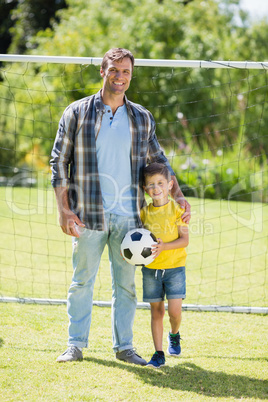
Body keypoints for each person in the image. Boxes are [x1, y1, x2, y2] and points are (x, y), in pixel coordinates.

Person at [50, 48, 191, 364]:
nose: (120, 77)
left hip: (130, 218)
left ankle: (124, 347)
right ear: (103, 71)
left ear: (131, 75)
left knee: (125, 285)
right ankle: (75, 344)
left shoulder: (141, 117)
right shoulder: (76, 113)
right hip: (87, 214)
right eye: (114, 70)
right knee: (82, 281)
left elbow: (159, 161)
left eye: (126, 72)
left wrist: (178, 194)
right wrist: (63, 209)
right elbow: (59, 161)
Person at [140, 162, 189, 368]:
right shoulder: (143, 214)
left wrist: (164, 247)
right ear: (145, 189)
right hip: (151, 270)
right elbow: (137, 242)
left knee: (174, 312)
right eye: (151, 184)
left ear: (170, 185)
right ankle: (158, 353)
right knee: (156, 312)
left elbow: (184, 240)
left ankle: (175, 334)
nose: (156, 188)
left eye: (160, 183)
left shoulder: (179, 210)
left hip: (175, 268)